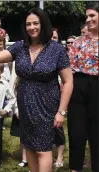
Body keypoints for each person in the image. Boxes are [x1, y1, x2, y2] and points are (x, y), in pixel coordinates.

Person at [0, 8, 73, 172]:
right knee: (29, 146)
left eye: (36, 23)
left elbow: (68, 81)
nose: (32, 27)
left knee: (43, 150)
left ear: (43, 25)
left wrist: (61, 112)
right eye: (28, 24)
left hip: (46, 107)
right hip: (25, 106)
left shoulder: (56, 49)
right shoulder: (20, 47)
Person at [68, 3, 98, 172]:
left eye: (92, 15)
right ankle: (75, 168)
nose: (88, 20)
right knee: (77, 134)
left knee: (97, 136)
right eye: (87, 16)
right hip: (78, 88)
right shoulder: (78, 42)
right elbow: (68, 71)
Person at [51, 27, 67, 168]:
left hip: (58, 98)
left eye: (55, 37)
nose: (51, 40)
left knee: (58, 129)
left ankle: (60, 156)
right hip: (42, 99)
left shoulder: (62, 55)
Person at [9, 77, 28, 168]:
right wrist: (17, 111)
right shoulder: (17, 83)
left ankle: (35, 160)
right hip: (20, 113)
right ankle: (24, 160)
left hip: (33, 114)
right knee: (22, 137)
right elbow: (14, 98)